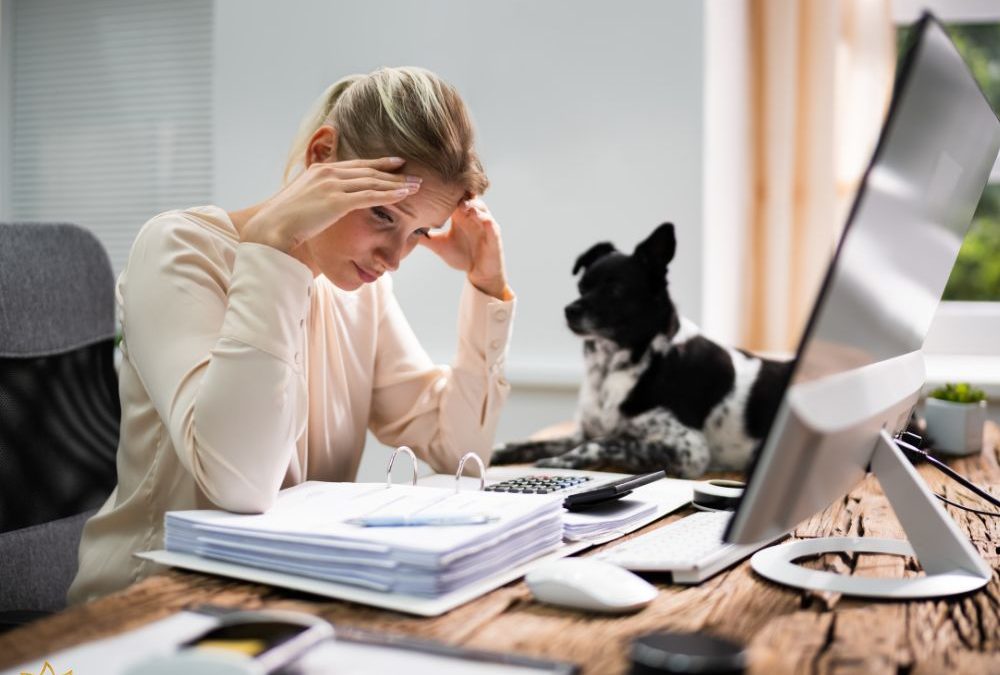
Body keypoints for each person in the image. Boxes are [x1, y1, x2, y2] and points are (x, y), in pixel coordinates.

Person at [68, 67, 515, 604]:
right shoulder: (179, 250)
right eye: (382, 214)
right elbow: (240, 484)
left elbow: (456, 449)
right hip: (151, 607)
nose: (395, 258)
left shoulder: (360, 291)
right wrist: (275, 251)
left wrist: (487, 287)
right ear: (322, 155)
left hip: (293, 599)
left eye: (417, 232)